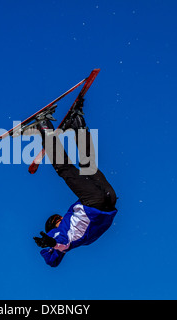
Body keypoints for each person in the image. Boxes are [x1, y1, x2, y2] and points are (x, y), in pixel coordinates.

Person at [28, 98, 118, 267]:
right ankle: (45, 127)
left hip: (105, 202)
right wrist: (51, 244)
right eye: (57, 219)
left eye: (58, 217)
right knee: (66, 169)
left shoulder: (68, 232)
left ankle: (76, 124)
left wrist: (53, 243)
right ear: (53, 227)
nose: (61, 218)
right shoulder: (58, 236)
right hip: (98, 204)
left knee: (88, 167)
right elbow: (55, 255)